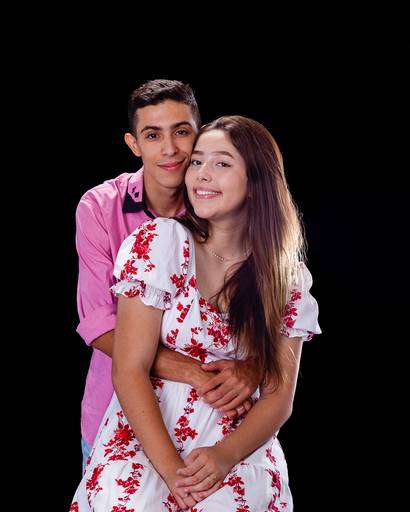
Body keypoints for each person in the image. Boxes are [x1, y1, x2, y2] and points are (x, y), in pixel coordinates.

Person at [70, 115, 321, 511]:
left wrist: (224, 457)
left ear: (257, 181)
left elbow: (279, 397)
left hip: (234, 446)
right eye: (198, 161)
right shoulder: (162, 243)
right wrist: (173, 474)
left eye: (222, 163)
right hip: (148, 438)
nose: (202, 174)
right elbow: (129, 368)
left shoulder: (285, 278)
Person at [75, 80, 262, 475]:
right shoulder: (99, 208)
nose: (170, 149)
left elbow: (265, 313)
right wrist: (197, 373)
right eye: (152, 135)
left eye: (181, 132)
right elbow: (99, 324)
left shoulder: (224, 204)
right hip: (116, 417)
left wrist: (254, 367)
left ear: (200, 133)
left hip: (214, 423)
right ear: (133, 144)